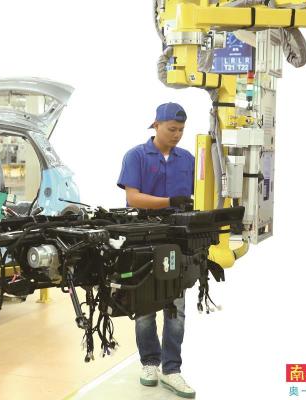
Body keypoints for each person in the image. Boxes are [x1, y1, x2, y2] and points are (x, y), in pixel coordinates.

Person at [117, 102, 196, 399]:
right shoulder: (136, 156)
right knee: (145, 307)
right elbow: (133, 198)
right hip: (143, 237)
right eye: (172, 129)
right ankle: (150, 363)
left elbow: (200, 193)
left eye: (181, 130)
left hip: (178, 239)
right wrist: (170, 202)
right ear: (156, 125)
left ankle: (172, 369)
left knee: (176, 306)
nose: (177, 134)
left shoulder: (187, 159)